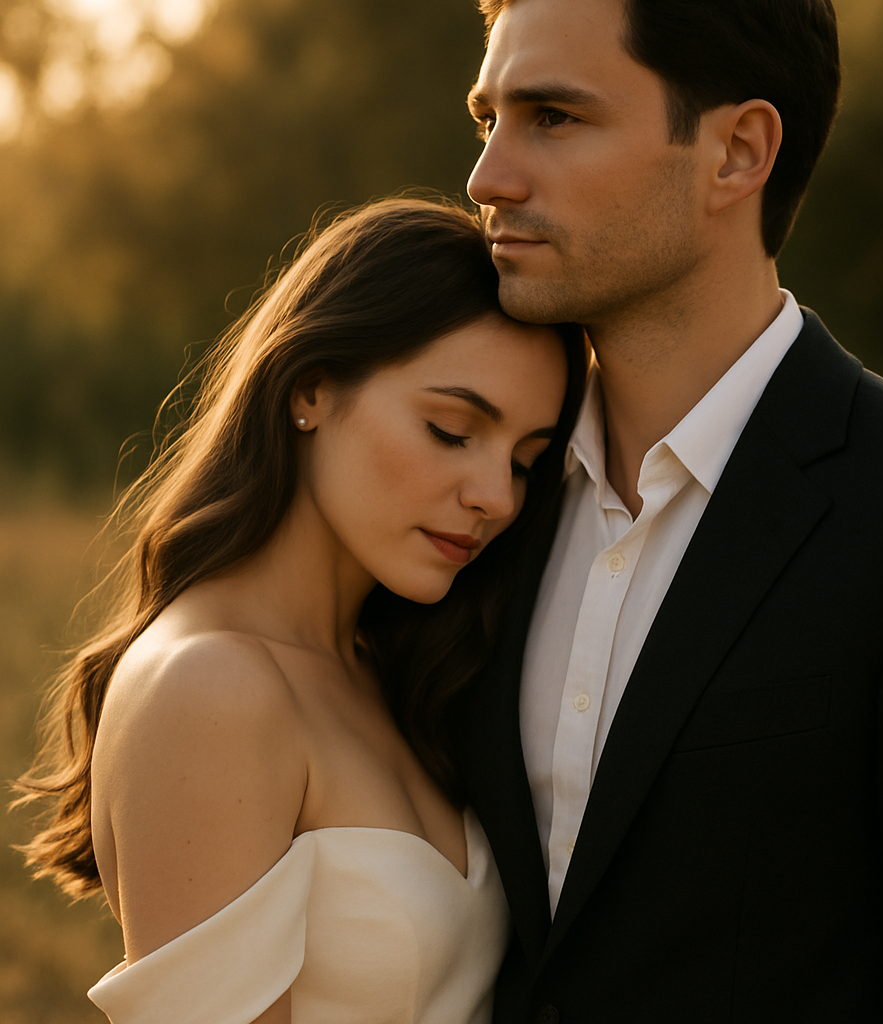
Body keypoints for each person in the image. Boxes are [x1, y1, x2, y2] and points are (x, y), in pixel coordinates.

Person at [452, 0, 883, 1021]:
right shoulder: (476, 501)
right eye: (486, 117)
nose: (487, 177)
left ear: (736, 151)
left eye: (553, 117)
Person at [16, 197, 586, 1024]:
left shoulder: (388, 670)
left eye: (526, 463)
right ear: (310, 389)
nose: (496, 497)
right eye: (452, 431)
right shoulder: (210, 686)